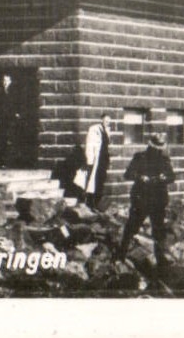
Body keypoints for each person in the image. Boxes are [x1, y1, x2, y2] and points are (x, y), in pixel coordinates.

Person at [118, 132, 176, 271]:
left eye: (160, 147)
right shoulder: (140, 157)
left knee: (159, 230)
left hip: (158, 200)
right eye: (156, 146)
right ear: (150, 144)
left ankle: (160, 258)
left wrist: (164, 177)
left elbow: (172, 176)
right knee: (132, 227)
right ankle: (121, 254)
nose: (158, 149)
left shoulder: (164, 159)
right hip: (141, 199)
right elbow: (128, 174)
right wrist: (140, 177)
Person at [74, 112, 112, 209]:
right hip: (96, 159)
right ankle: (89, 203)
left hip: (103, 159)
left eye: (109, 121)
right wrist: (89, 160)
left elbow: (107, 146)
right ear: (101, 120)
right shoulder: (94, 129)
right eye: (106, 120)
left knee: (101, 179)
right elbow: (89, 145)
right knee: (92, 180)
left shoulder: (107, 130)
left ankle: (97, 203)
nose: (107, 122)